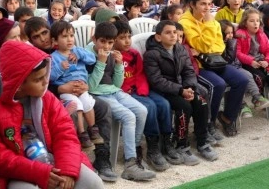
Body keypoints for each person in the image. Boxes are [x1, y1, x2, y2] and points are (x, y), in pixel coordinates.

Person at [0, 40, 105, 189]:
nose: (45, 82)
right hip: (20, 171)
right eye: (38, 79)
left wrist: (67, 170)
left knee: (93, 183)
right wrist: (38, 172)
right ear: (18, 84)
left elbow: (65, 134)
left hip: (54, 159)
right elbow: (2, 158)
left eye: (45, 76)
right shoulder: (1, 108)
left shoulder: (47, 98)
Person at [24, 16, 118, 182]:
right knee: (72, 111)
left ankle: (102, 156)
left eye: (44, 32)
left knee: (102, 107)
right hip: (55, 98)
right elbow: (43, 83)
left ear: (51, 31)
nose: (42, 38)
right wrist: (60, 88)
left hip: (80, 89)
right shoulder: (37, 56)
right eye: (36, 37)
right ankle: (77, 158)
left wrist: (85, 85)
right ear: (31, 40)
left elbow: (90, 66)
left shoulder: (72, 49)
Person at [85, 21, 156, 181]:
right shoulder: (88, 55)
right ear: (94, 39)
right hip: (98, 94)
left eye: (110, 42)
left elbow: (117, 84)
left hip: (114, 91)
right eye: (103, 41)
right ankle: (131, 166)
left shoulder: (112, 53)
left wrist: (118, 66)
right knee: (128, 116)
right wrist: (101, 63)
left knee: (142, 110)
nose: (107, 46)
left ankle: (132, 154)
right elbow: (90, 86)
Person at [144, 20, 219, 165]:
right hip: (164, 91)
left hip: (183, 88)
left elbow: (189, 71)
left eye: (174, 32)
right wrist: (180, 90)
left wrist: (189, 88)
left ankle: (202, 141)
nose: (173, 35)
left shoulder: (180, 49)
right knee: (184, 107)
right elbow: (157, 81)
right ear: (158, 37)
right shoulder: (152, 54)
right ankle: (181, 144)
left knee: (201, 101)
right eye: (168, 32)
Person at [113, 21, 181, 171]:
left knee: (164, 104)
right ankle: (152, 146)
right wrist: (128, 90)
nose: (127, 41)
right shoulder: (113, 56)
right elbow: (113, 80)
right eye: (122, 37)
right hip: (125, 92)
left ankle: (166, 141)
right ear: (114, 39)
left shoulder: (134, 53)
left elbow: (140, 73)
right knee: (149, 106)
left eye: (129, 36)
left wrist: (143, 89)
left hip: (140, 88)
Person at [179, 0, 249, 137]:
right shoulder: (185, 22)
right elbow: (201, 45)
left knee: (242, 80)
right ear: (192, 4)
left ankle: (227, 118)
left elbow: (220, 46)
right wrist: (209, 29)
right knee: (218, 85)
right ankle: (208, 124)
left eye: (209, 4)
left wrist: (205, 46)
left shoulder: (210, 20)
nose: (207, 7)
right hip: (198, 65)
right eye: (203, 4)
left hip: (215, 61)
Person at [49, 20, 103, 149]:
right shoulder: (54, 57)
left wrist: (79, 54)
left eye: (71, 35)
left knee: (87, 103)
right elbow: (50, 77)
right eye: (64, 36)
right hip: (66, 91)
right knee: (77, 105)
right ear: (55, 41)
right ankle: (82, 133)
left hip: (82, 88)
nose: (69, 39)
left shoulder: (78, 51)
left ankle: (93, 130)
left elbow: (92, 60)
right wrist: (60, 68)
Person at [236, 7, 269, 123]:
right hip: (248, 63)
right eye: (252, 21)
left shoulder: (261, 34)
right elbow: (237, 53)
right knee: (259, 78)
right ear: (245, 23)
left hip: (262, 61)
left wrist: (267, 61)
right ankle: (257, 99)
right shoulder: (240, 34)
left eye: (257, 20)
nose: (255, 23)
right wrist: (250, 60)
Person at [219, 19, 269, 120]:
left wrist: (232, 40)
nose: (230, 35)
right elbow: (228, 58)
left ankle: (257, 98)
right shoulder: (220, 44)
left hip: (236, 66)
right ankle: (242, 104)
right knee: (241, 79)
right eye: (227, 33)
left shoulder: (233, 40)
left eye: (231, 33)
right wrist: (230, 42)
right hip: (225, 68)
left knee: (248, 75)